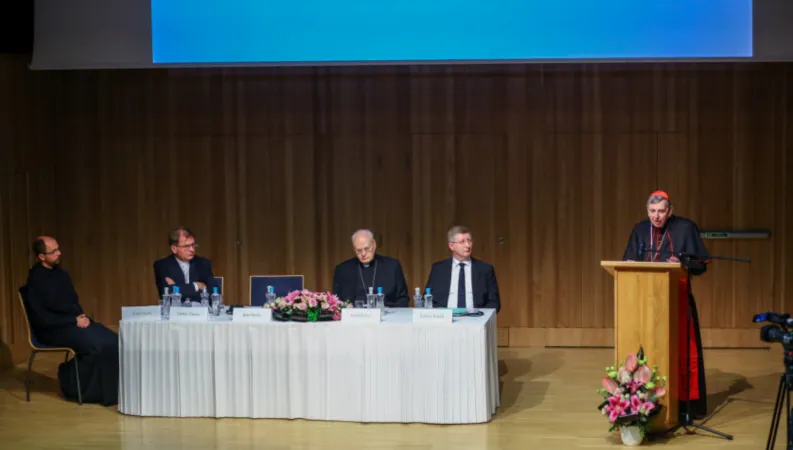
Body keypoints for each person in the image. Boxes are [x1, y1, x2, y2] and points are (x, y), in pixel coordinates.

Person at [622, 190, 710, 419]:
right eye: (652, 212)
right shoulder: (640, 230)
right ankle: (643, 402)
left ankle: (684, 405)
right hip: (643, 303)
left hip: (677, 301)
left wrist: (682, 262)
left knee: (681, 350)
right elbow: (628, 262)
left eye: (661, 211)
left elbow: (701, 266)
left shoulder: (685, 228)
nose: (657, 216)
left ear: (670, 210)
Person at [23, 236, 119, 406]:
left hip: (73, 322)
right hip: (52, 329)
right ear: (41, 257)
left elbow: (73, 301)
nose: (59, 253)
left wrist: (81, 317)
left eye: (58, 248)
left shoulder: (61, 274)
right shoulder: (35, 280)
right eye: (53, 251)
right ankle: (72, 382)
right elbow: (41, 317)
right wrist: (72, 320)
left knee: (112, 340)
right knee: (95, 346)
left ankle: (112, 392)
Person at [424, 225, 501, 312]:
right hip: (445, 319)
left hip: (475, 319)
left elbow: (494, 302)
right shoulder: (438, 269)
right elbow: (428, 298)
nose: (468, 245)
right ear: (451, 246)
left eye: (469, 241)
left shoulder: (485, 269)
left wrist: (480, 316)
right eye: (462, 242)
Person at [332, 229, 409, 307]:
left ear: (374, 245)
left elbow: (403, 299)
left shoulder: (392, 266)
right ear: (354, 249)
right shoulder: (342, 270)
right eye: (359, 250)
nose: (363, 254)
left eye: (367, 248)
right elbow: (335, 302)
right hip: (354, 317)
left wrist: (389, 309)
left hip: (386, 317)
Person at [153, 227, 215, 303]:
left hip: (199, 311)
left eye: (193, 245)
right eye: (187, 246)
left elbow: (210, 293)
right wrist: (196, 286)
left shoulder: (203, 263)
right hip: (175, 312)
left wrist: (177, 287)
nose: (192, 249)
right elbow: (167, 293)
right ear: (174, 249)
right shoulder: (162, 265)